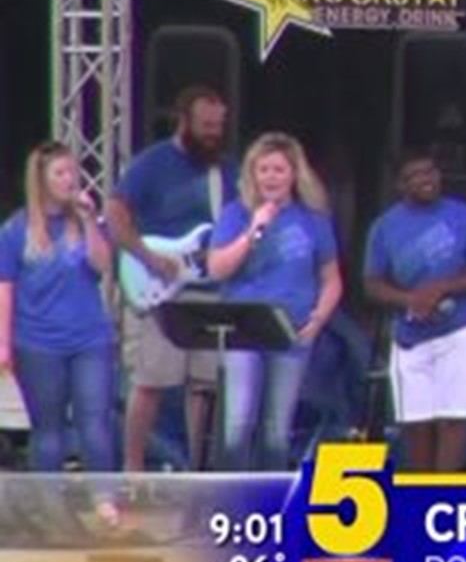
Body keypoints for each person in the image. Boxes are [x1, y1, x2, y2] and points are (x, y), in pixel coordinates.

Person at [108, 85, 236, 472]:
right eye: (206, 125)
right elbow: (115, 214)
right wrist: (148, 256)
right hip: (157, 290)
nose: (213, 132)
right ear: (184, 122)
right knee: (149, 383)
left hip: (207, 291)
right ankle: (133, 469)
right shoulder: (152, 163)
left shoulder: (226, 170)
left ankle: (196, 469)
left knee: (204, 388)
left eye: (219, 125)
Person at [205, 133, 342, 472]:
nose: (270, 177)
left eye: (278, 169)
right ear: (252, 174)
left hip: (292, 332)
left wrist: (318, 319)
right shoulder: (236, 214)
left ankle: (270, 508)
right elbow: (217, 269)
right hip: (245, 329)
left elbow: (331, 280)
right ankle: (234, 507)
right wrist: (253, 231)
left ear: (294, 174)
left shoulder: (313, 219)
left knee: (277, 431)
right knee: (238, 425)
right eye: (263, 169)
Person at [363, 149, 466, 472]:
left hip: (462, 327)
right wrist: (410, 299)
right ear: (400, 184)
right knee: (416, 420)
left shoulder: (465, 217)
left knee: (455, 416)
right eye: (416, 175)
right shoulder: (385, 227)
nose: (427, 179)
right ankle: (422, 493)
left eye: (431, 171)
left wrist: (443, 288)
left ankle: (443, 493)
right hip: (411, 333)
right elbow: (372, 283)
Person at [0, 143, 119, 503]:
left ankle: (105, 504)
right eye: (60, 173)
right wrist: (3, 343)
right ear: (41, 180)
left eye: (73, 172)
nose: (70, 180)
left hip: (89, 338)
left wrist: (88, 220)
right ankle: (49, 510)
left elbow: (101, 265)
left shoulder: (85, 223)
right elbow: (5, 289)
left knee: (95, 425)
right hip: (37, 341)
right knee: (48, 430)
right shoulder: (15, 230)